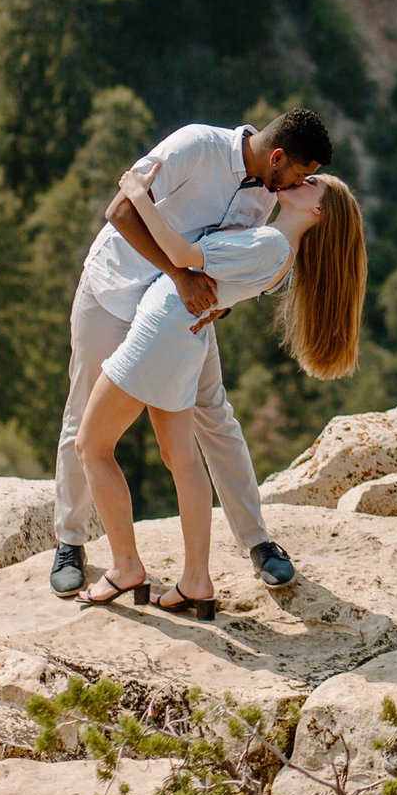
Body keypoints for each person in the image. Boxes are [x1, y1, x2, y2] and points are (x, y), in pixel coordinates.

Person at [48, 109, 330, 597]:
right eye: (298, 175)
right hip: (114, 292)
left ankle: (257, 542)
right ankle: (70, 541)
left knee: (216, 417)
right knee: (83, 417)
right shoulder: (196, 146)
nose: (295, 186)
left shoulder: (268, 191)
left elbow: (231, 258)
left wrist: (216, 302)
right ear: (277, 157)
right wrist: (179, 275)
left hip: (182, 316)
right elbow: (121, 211)